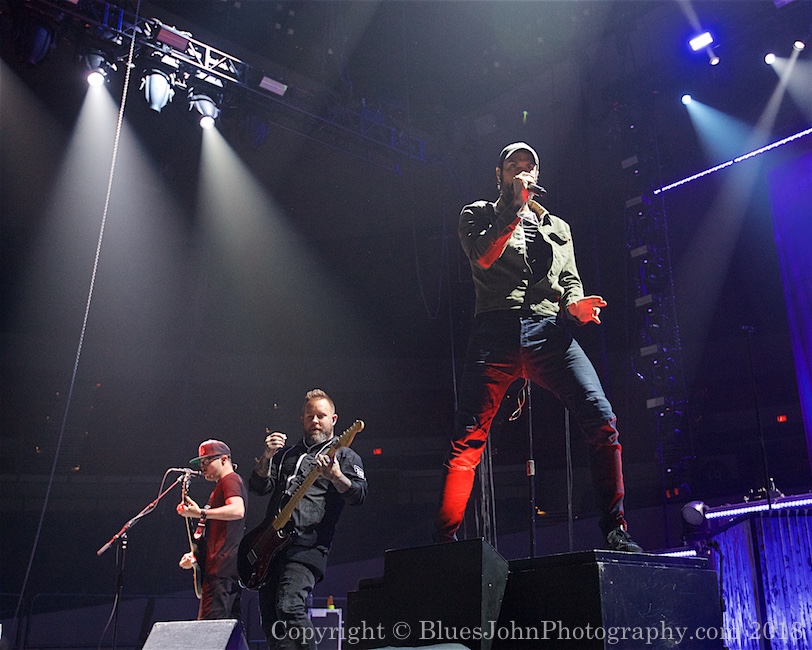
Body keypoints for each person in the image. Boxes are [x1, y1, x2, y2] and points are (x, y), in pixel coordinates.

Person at [433, 142, 643, 553]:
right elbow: (483, 257)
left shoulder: (558, 227)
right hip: (496, 330)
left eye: (530, 166)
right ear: (500, 175)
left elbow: (569, 281)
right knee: (468, 438)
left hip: (548, 332)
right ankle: (443, 542)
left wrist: (575, 306)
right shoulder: (476, 214)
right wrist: (513, 208)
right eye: (515, 166)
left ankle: (616, 528)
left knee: (602, 419)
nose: (524, 171)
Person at [250, 389, 367, 649]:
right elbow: (258, 487)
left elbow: (359, 495)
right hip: (270, 547)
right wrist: (266, 458)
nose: (315, 420)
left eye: (321, 416)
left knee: (289, 607)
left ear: (334, 420)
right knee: (271, 619)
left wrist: (336, 477)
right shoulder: (286, 455)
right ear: (301, 419)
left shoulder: (345, 455)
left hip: (307, 546)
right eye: (310, 416)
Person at [176, 439, 248, 620]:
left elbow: (237, 510)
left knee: (210, 632)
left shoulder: (230, 480)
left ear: (224, 459)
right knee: (227, 633)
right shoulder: (222, 486)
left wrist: (199, 512)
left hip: (221, 570)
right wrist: (196, 558)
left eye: (207, 461)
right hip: (223, 570)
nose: (202, 467)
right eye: (201, 463)